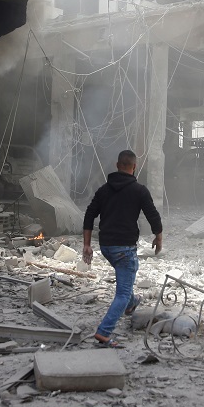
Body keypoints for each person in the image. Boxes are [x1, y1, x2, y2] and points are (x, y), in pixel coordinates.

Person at [82, 149, 163, 348]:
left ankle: (132, 304)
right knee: (123, 293)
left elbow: (89, 214)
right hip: (125, 249)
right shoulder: (140, 191)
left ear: (118, 166)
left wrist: (86, 244)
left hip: (107, 248)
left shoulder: (103, 190)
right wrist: (158, 237)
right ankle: (104, 332)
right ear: (134, 167)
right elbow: (153, 215)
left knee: (126, 280)